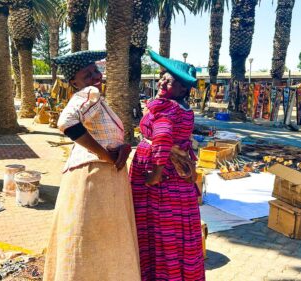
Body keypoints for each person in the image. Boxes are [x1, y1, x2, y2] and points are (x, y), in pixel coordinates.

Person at [43, 50, 141, 281]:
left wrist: (122, 147)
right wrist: (106, 155)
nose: (95, 77)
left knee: (87, 235)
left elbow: (104, 135)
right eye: (86, 74)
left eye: (95, 71)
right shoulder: (89, 93)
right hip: (95, 177)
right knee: (95, 236)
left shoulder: (95, 98)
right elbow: (66, 123)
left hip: (96, 176)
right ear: (74, 82)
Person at [129, 50, 205, 281]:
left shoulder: (166, 108)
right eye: (163, 77)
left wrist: (156, 174)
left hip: (161, 178)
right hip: (177, 177)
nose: (162, 81)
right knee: (177, 227)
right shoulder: (183, 108)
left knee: (159, 226)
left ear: (183, 89)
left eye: (169, 80)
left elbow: (161, 138)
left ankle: (159, 274)